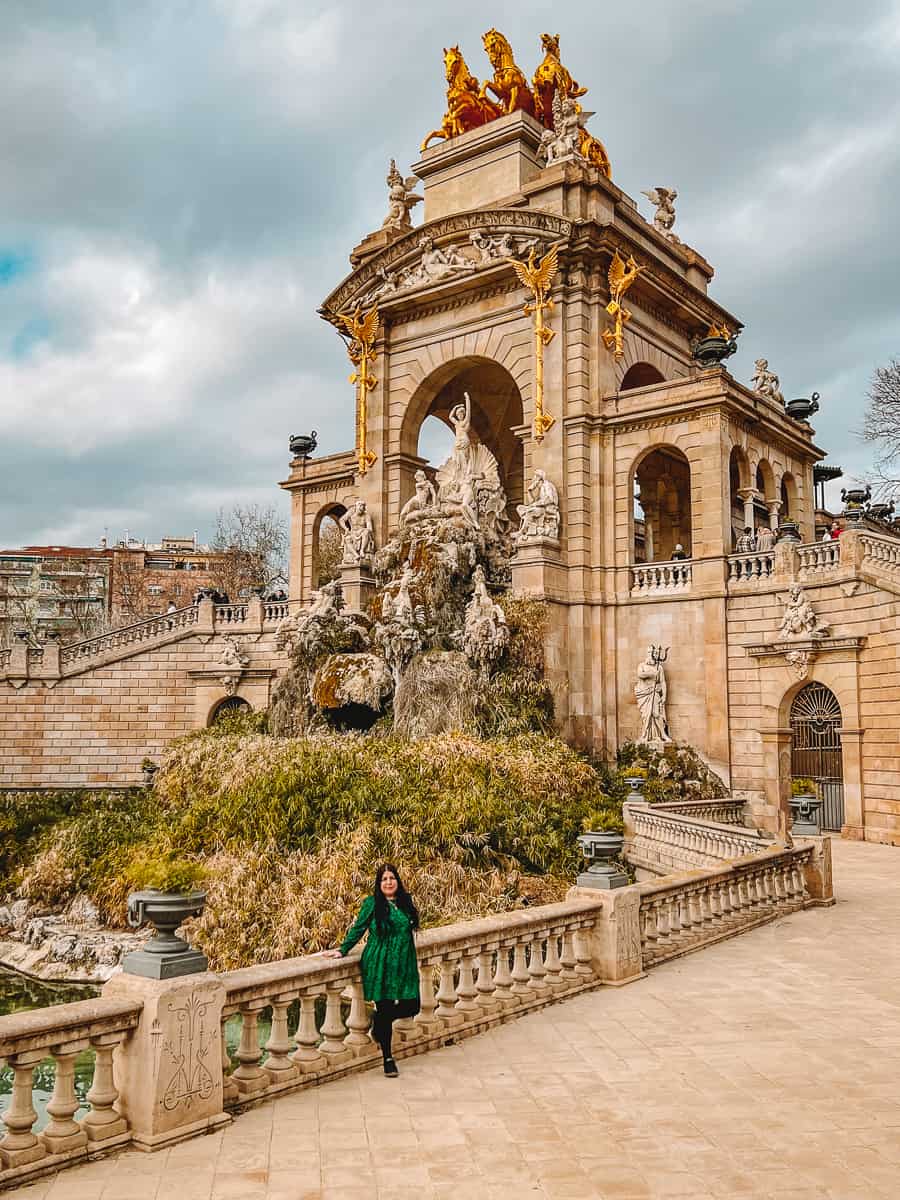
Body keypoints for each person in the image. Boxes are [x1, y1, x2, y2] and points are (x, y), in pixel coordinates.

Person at [323, 864, 420, 1077]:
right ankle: (388, 1058)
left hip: (404, 961)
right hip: (380, 960)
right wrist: (343, 949)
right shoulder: (372, 904)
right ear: (379, 883)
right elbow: (358, 928)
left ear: (397, 880)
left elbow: (411, 925)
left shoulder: (405, 901)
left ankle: (378, 1022)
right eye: (384, 879)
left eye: (391, 878)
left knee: (413, 1006)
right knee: (385, 1007)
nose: (388, 882)